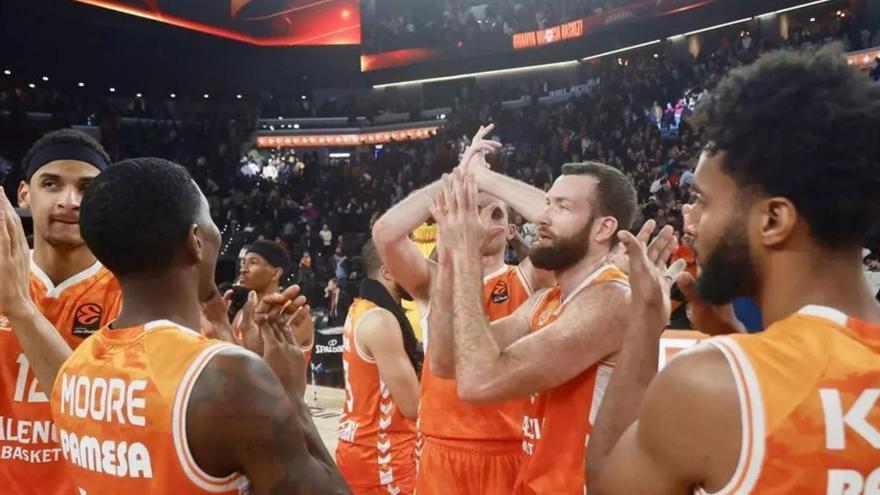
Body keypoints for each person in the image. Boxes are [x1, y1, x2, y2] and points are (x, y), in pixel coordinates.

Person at [586, 44, 880, 494]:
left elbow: (605, 486)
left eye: (703, 200)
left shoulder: (711, 386)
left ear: (773, 220)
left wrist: (644, 321)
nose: (693, 221)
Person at [2, 157, 351, 494]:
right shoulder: (230, 377)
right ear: (196, 240)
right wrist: (292, 397)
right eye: (211, 220)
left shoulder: (74, 369)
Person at [430, 160, 674, 495]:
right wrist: (447, 257)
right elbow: (444, 361)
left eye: (562, 206)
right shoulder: (545, 301)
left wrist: (466, 256)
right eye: (548, 203)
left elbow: (477, 382)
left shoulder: (610, 300)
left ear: (603, 229)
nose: (542, 217)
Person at [372, 125, 552, 495]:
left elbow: (561, 223)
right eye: (474, 209)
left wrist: (486, 179)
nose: (483, 220)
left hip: (512, 445)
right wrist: (455, 180)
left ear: (511, 230)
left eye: (496, 214)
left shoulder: (530, 278)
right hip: (442, 445)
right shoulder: (434, 278)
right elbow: (386, 233)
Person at [0, 129, 122, 495]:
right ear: (24, 193)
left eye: (86, 188)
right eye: (51, 184)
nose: (70, 201)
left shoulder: (129, 291)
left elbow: (101, 415)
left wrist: (19, 309)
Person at [335, 240, 422, 495]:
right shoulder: (381, 321)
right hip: (383, 456)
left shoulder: (361, 308)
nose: (419, 273)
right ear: (388, 272)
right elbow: (413, 405)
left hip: (360, 446)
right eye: (412, 265)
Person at [234, 240, 314, 361]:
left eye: (253, 263)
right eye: (243, 263)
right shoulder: (241, 315)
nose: (243, 269)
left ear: (275, 273)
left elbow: (273, 367)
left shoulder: (294, 315)